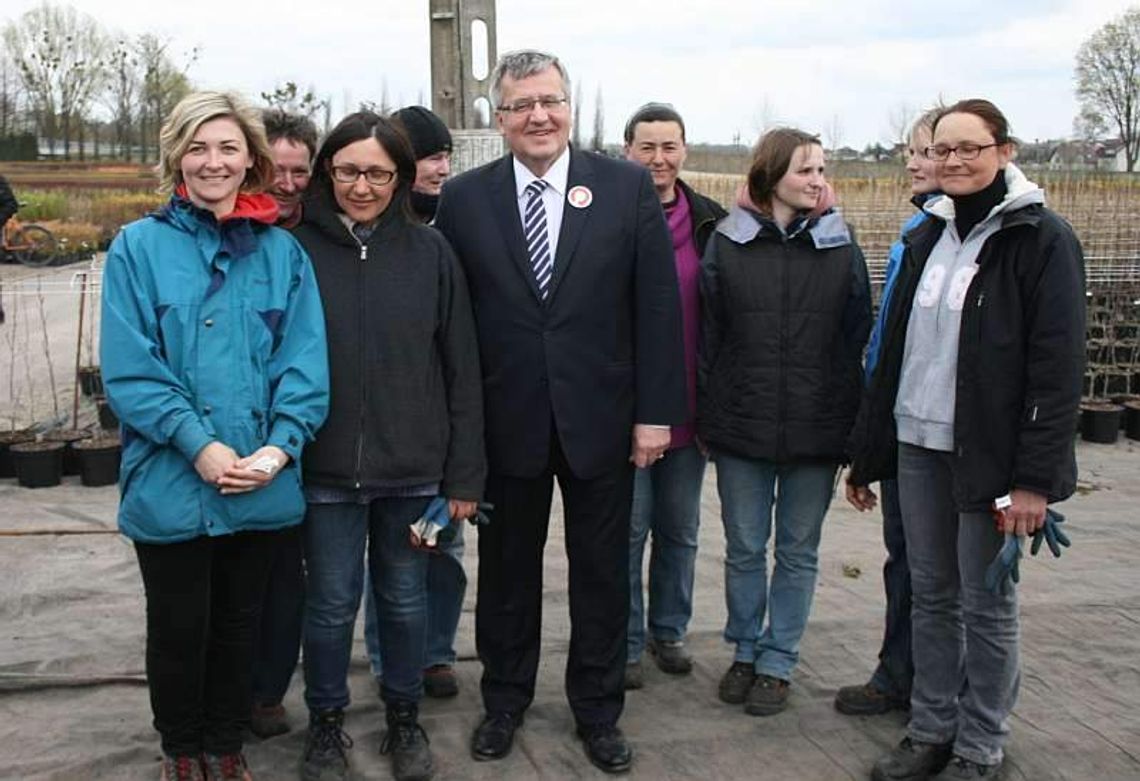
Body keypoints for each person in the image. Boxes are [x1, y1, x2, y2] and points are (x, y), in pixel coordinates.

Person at [434, 49, 686, 774]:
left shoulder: (626, 186)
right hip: (505, 420)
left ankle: (598, 710)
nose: (538, 116)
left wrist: (654, 414)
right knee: (507, 574)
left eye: (550, 100)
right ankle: (505, 700)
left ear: (569, 107)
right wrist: (460, 431)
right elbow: (453, 323)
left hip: (602, 419)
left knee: (603, 574)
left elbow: (656, 308)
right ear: (500, 117)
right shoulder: (466, 198)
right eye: (521, 105)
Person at [846, 99, 1085, 781]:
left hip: (988, 455)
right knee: (932, 592)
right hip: (919, 445)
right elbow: (894, 353)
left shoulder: (1040, 240)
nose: (952, 161)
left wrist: (1033, 480)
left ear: (1004, 151)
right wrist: (870, 452)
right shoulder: (928, 235)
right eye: (941, 149)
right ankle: (931, 727)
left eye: (969, 148)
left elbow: (1057, 364)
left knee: (985, 603)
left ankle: (981, 743)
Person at [100, 90, 330, 781]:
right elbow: (132, 369)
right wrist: (197, 444)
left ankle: (226, 744)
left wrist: (279, 446)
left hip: (257, 480)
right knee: (178, 627)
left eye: (228, 147)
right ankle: (182, 747)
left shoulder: (282, 254)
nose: (213, 161)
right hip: (173, 481)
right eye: (198, 147)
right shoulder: (139, 248)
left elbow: (304, 361)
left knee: (240, 625)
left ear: (251, 160)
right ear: (176, 157)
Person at [293, 110, 484, 781]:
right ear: (327, 172)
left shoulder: (431, 254)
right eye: (348, 170)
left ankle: (404, 718)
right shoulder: (296, 250)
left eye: (378, 172)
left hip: (411, 474)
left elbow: (462, 367)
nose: (363, 185)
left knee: (406, 601)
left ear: (401, 177)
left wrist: (464, 475)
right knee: (331, 603)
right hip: (324, 471)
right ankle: (325, 722)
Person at [698, 128, 871, 718]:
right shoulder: (727, 243)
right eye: (805, 170)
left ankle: (778, 661)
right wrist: (710, 411)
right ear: (771, 177)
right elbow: (709, 337)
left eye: (821, 170)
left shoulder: (842, 246)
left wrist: (851, 426)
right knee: (745, 548)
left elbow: (857, 340)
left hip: (816, 430)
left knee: (798, 552)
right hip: (741, 426)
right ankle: (744, 652)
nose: (817, 180)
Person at [833, 106, 943, 717]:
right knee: (905, 560)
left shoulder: (967, 239)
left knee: (941, 574)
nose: (915, 161)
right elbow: (885, 343)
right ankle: (900, 673)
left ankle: (936, 693)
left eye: (925, 150)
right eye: (915, 150)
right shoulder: (913, 235)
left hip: (943, 434)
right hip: (901, 425)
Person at [360, 103, 465, 701]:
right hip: (382, 423)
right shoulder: (375, 229)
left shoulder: (461, 221)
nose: (440, 167)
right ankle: (387, 656)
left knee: (443, 543)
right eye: (428, 156)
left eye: (445, 155)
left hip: (443, 418)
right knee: (392, 552)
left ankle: (435, 653)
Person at [620, 102, 726, 689]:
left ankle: (669, 630)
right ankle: (628, 641)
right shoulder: (612, 216)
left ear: (684, 150)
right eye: (646, 147)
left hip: (690, 405)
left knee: (680, 529)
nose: (658, 159)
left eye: (669, 146)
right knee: (629, 530)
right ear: (627, 151)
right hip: (630, 411)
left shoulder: (711, 222)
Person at [247, 108, 321, 740]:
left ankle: (268, 689)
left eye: (301, 170)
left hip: (306, 425)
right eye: (278, 168)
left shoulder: (324, 234)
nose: (289, 182)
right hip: (238, 424)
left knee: (289, 575)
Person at [391, 105, 452, 223]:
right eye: (435, 159)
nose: (445, 170)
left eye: (448, 158)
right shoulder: (372, 228)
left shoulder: (451, 223)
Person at [262, 109, 319, 229]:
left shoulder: (325, 235)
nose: (289, 187)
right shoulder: (224, 229)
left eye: (299, 173)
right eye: (276, 172)